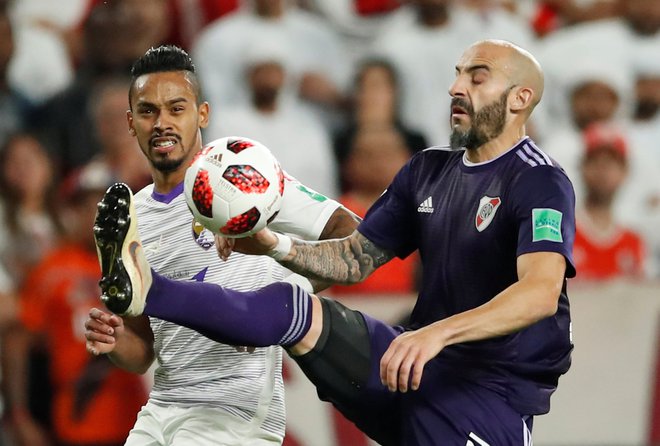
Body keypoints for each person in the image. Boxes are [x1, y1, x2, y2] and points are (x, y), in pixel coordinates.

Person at [87, 40, 576, 445]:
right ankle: (149, 288)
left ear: (519, 98)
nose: (456, 86)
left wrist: (436, 333)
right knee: (290, 306)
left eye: (477, 76)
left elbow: (538, 292)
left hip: (484, 392)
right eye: (457, 73)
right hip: (409, 366)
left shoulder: (538, 181)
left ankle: (150, 289)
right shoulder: (428, 170)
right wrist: (276, 247)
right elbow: (356, 256)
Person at [85, 44, 358, 446]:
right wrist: (115, 341)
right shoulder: (131, 213)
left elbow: (349, 233)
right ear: (131, 122)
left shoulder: (245, 180)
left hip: (235, 411)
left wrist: (277, 304)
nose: (162, 123)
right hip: (163, 407)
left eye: (176, 108)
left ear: (203, 114)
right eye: (148, 112)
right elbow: (144, 350)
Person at [2, 165, 148, 446]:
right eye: (86, 205)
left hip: (137, 414)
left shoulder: (137, 265)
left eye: (107, 205)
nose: (97, 214)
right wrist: (19, 416)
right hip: (76, 418)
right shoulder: (51, 269)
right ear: (71, 212)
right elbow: (17, 342)